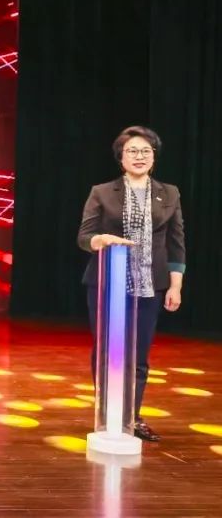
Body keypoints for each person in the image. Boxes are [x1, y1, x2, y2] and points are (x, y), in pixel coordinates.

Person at [77, 125, 185, 442]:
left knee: (139, 355)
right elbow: (84, 237)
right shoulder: (102, 192)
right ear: (121, 157)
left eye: (145, 151)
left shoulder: (170, 193)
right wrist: (101, 240)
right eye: (132, 151)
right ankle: (107, 415)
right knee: (107, 351)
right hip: (107, 283)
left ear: (154, 156)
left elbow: (176, 243)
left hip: (150, 284)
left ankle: (132, 418)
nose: (139, 156)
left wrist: (175, 285)